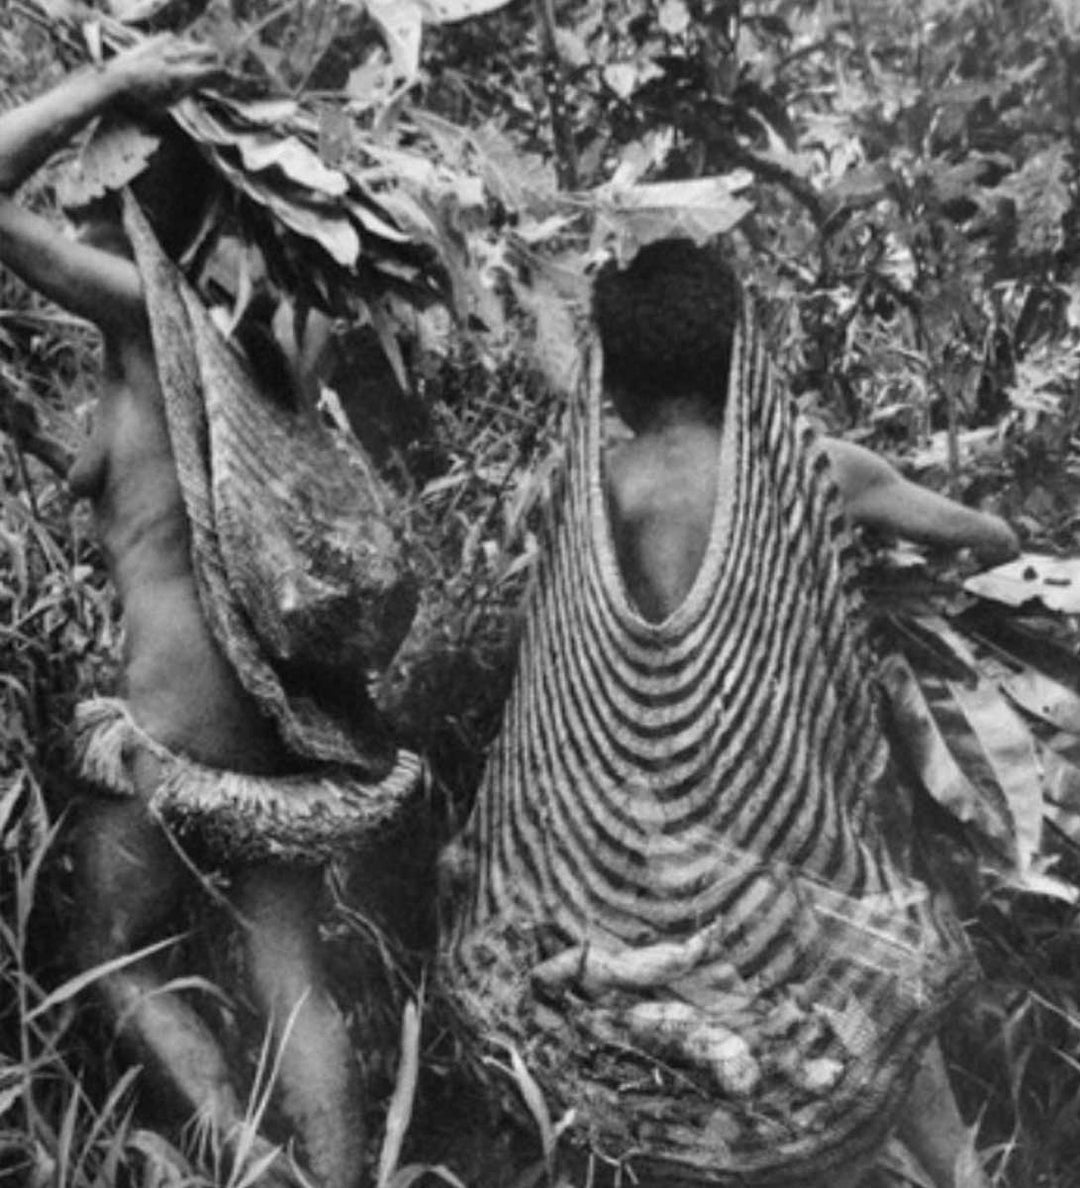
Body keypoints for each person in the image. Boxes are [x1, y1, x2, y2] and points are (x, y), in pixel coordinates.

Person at [440, 239, 991, 1187]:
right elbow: (989, 539)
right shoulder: (821, 468)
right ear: (741, 348)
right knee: (885, 993)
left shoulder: (603, 487)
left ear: (612, 374)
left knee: (677, 1106)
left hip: (634, 853)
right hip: (787, 840)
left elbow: (567, 650)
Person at [0, 39, 417, 1188]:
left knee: (107, 954)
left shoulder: (148, 309)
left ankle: (244, 1162)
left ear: (137, 202)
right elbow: (153, 486)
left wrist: (101, 89)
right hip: (288, 712)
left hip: (180, 719)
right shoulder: (276, 325)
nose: (66, 216)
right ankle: (336, 1180)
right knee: (289, 971)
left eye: (86, 192)